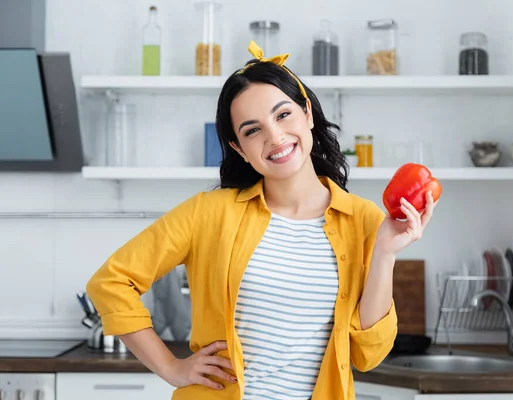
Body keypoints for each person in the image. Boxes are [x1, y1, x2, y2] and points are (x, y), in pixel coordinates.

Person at [86, 41, 437, 400]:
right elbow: (111, 282)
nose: (275, 136)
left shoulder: (363, 220)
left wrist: (385, 253)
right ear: (239, 148)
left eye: (283, 115)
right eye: (252, 130)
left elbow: (368, 355)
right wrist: (170, 366)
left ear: (308, 114)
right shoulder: (209, 212)